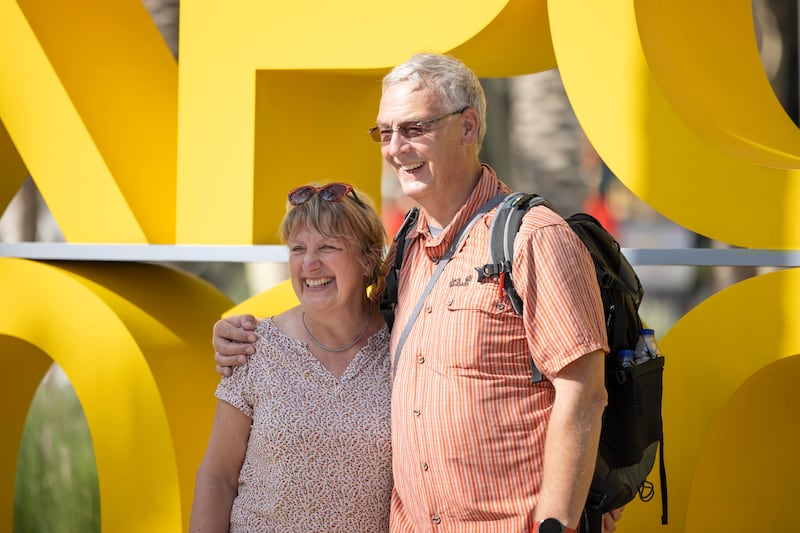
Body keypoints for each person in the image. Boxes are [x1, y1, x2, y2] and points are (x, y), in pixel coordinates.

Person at [213, 53, 624, 533]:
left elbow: (584, 395)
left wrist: (558, 523)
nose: (395, 148)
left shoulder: (534, 237)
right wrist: (240, 334)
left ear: (468, 128)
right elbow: (345, 315)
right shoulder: (406, 249)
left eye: (413, 129)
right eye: (384, 133)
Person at [190, 182, 392, 532]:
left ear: (368, 258)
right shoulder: (254, 346)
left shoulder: (404, 347)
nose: (310, 264)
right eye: (298, 249)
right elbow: (218, 476)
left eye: (327, 247)